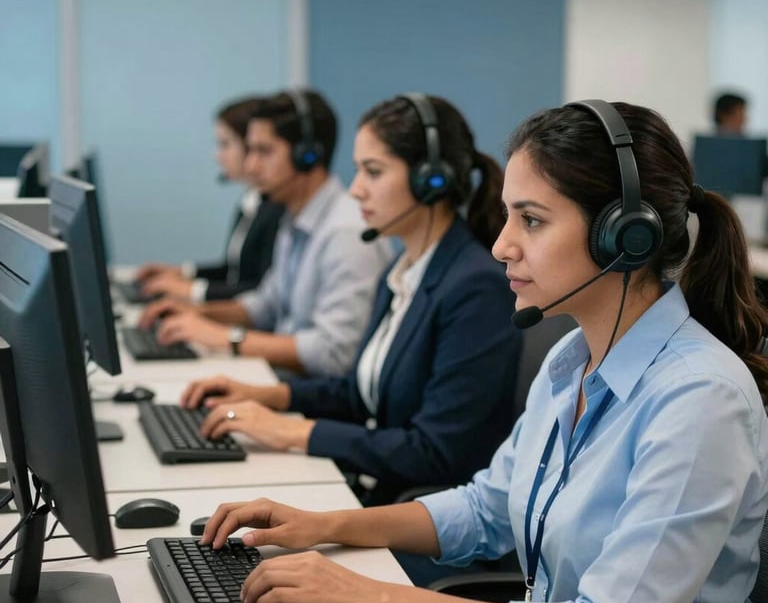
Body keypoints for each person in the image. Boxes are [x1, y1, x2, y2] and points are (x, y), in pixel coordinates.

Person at [200, 100, 768, 603]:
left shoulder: (699, 400)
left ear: (625, 236)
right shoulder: (570, 358)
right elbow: (487, 507)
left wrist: (373, 598)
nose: (500, 246)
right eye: (507, 217)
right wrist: (323, 526)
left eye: (531, 220)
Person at [180, 94, 522, 506]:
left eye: (373, 172)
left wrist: (293, 431)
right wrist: (266, 396)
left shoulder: (474, 288)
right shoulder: (404, 272)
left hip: (422, 515)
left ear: (431, 180)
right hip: (378, 488)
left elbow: (433, 452)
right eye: (358, 170)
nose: (356, 190)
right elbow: (360, 394)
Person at [139, 89, 392, 377]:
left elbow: (334, 355)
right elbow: (266, 304)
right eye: (250, 150)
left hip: (314, 399)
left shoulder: (347, 235)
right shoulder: (294, 216)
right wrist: (199, 315)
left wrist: (226, 339)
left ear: (307, 156)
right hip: (284, 377)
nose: (250, 165)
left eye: (264, 151)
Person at [135, 96, 284, 301]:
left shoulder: (276, 209)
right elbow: (233, 270)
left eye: (225, 144)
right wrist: (183, 273)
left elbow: (259, 289)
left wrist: (190, 290)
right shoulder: (251, 201)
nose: (217, 156)